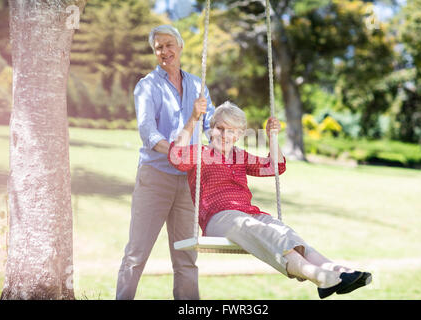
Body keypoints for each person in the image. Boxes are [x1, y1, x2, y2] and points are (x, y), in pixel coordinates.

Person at [167, 101, 371, 299]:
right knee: (258, 229)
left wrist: (272, 137)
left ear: (238, 135)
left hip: (251, 214)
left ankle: (338, 271)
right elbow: (176, 157)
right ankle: (319, 276)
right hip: (219, 218)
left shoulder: (240, 156)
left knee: (283, 231)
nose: (225, 135)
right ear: (211, 129)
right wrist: (194, 118)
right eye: (220, 128)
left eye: (232, 131)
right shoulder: (201, 154)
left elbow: (275, 167)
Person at [116, 25, 214, 300]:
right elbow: (148, 133)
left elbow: (213, 125)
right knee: (136, 254)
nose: (164, 51)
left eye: (169, 45)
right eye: (158, 47)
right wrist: (175, 152)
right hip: (155, 178)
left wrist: (241, 129)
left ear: (180, 46)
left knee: (186, 259)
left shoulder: (197, 84)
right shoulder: (147, 86)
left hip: (188, 182)